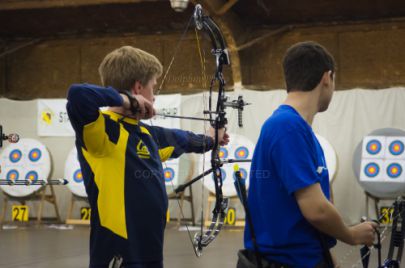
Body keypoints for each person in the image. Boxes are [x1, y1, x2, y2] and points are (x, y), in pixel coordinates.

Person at [66, 46, 229, 268]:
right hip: (117, 252)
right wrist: (126, 101)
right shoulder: (102, 132)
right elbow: (77, 95)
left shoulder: (145, 133)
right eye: (153, 86)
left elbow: (184, 140)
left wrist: (212, 138)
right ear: (138, 87)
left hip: (150, 250)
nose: (154, 95)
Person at [241, 41, 377, 268]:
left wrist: (330, 260)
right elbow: (316, 210)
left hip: (307, 258)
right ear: (327, 77)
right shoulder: (287, 127)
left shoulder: (298, 130)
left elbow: (309, 215)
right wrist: (352, 235)